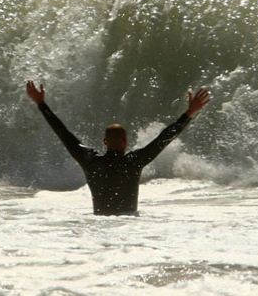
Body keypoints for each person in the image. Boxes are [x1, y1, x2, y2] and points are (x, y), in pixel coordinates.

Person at [25, 80, 210, 215]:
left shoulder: (91, 162)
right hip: (127, 229)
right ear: (125, 141)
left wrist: (41, 104)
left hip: (100, 228)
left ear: (104, 142)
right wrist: (189, 113)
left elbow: (63, 133)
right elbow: (164, 138)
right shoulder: (133, 162)